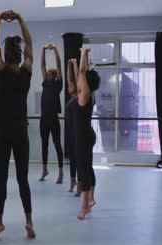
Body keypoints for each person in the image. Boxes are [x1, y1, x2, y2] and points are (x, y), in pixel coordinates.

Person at [0, 10, 35, 240]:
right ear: (19, 56)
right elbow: (29, 42)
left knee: (1, 179)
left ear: (5, 56)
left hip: (2, 133)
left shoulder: (0, 71)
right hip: (20, 133)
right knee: (23, 178)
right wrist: (19, 18)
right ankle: (29, 221)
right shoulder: (26, 73)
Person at [70, 48, 100, 220]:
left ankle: (84, 207)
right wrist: (81, 60)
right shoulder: (85, 94)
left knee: (83, 171)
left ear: (86, 83)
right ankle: (91, 199)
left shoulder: (85, 95)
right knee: (87, 167)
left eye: (82, 80)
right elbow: (81, 74)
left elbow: (82, 73)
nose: (78, 81)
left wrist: (82, 53)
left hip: (83, 137)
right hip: (85, 135)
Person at [39, 44, 64, 183]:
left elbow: (58, 64)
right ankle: (44, 169)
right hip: (44, 118)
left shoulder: (58, 84)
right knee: (44, 144)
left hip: (54, 119)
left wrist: (54, 48)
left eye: (50, 74)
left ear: (55, 76)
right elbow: (42, 65)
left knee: (56, 144)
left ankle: (60, 172)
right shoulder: (45, 83)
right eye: (47, 74)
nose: (48, 75)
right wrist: (42, 49)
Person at [66, 58, 81, 195]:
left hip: (78, 131)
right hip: (70, 131)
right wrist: (68, 65)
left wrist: (75, 64)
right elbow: (69, 78)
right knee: (72, 158)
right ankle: (72, 181)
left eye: (72, 84)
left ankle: (80, 185)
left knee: (78, 158)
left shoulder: (79, 97)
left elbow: (77, 78)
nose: (69, 85)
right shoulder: (71, 98)